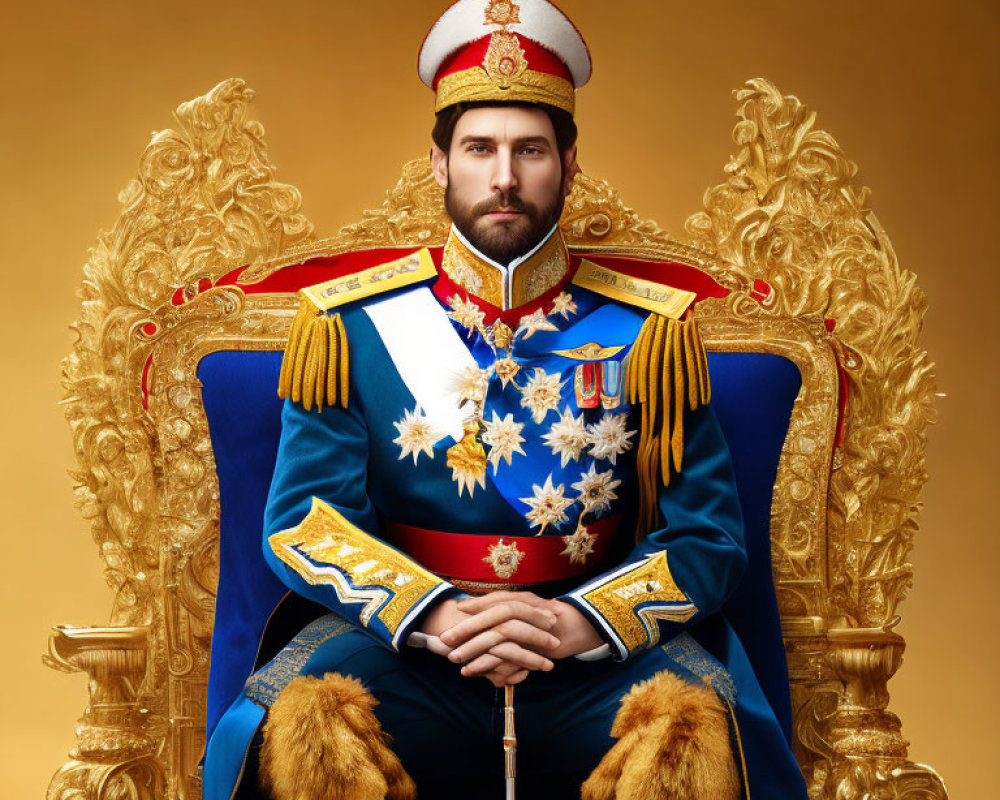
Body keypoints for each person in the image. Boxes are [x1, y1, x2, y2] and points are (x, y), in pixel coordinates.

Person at [204, 2, 809, 798]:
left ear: (568, 163)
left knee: (684, 734)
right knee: (308, 723)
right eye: (479, 148)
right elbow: (305, 521)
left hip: (598, 652)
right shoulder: (348, 325)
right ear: (437, 162)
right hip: (408, 647)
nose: (503, 177)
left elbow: (708, 538)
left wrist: (577, 623)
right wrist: (437, 613)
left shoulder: (650, 333)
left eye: (529, 150)